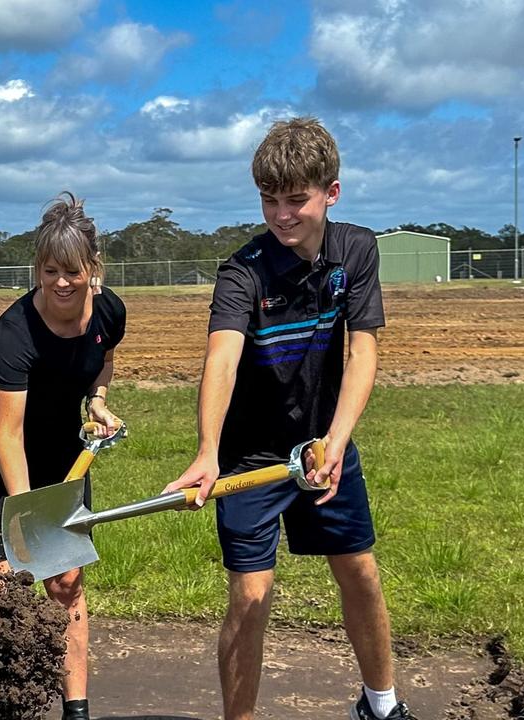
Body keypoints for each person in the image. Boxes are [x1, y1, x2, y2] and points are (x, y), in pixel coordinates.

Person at [162, 117, 412, 720]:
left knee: (359, 572)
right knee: (251, 595)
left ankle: (380, 705)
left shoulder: (356, 249)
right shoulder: (241, 271)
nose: (282, 215)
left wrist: (335, 442)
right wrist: (207, 451)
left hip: (324, 442)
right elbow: (221, 358)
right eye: (270, 201)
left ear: (331, 191)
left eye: (296, 199)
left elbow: (363, 351)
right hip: (252, 455)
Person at [0, 193, 125, 720]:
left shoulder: (109, 312)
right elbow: (7, 435)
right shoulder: (15, 331)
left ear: (93, 270)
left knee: (67, 579)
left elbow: (103, 359)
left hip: (64, 459)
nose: (60, 282)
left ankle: (75, 710)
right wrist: (26, 518)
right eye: (49, 270)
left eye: (72, 271)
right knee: (4, 574)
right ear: (37, 268)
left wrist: (97, 402)